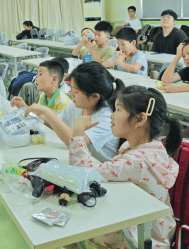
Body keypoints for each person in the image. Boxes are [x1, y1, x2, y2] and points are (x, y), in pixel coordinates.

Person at [63, 86, 182, 249]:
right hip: (144, 228)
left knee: (68, 228)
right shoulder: (152, 148)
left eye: (118, 110)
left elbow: (82, 172)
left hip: (139, 239)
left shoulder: (137, 163)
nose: (111, 116)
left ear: (139, 119)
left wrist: (78, 132)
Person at [21, 62, 125, 162]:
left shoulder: (107, 119)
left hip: (100, 169)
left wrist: (47, 111)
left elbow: (75, 143)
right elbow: (56, 123)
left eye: (75, 91)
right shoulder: (77, 106)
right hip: (80, 162)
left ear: (94, 97)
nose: (72, 94)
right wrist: (27, 110)